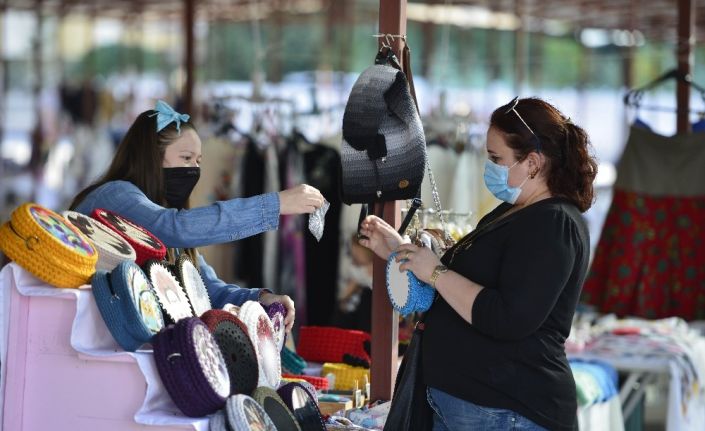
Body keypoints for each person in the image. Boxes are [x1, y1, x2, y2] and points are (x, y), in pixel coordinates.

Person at [360, 97, 597, 431]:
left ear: (532, 162)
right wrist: (403, 252)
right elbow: (465, 284)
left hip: (507, 411)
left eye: (496, 158)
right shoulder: (515, 211)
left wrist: (435, 272)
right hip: (477, 408)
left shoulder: (553, 224)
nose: (490, 166)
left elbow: (508, 317)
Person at [70, 100, 325, 332]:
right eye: (186, 158)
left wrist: (261, 298)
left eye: (198, 161)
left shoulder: (163, 217)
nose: (194, 170)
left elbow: (206, 288)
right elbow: (177, 228)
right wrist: (276, 204)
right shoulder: (116, 195)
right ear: (152, 158)